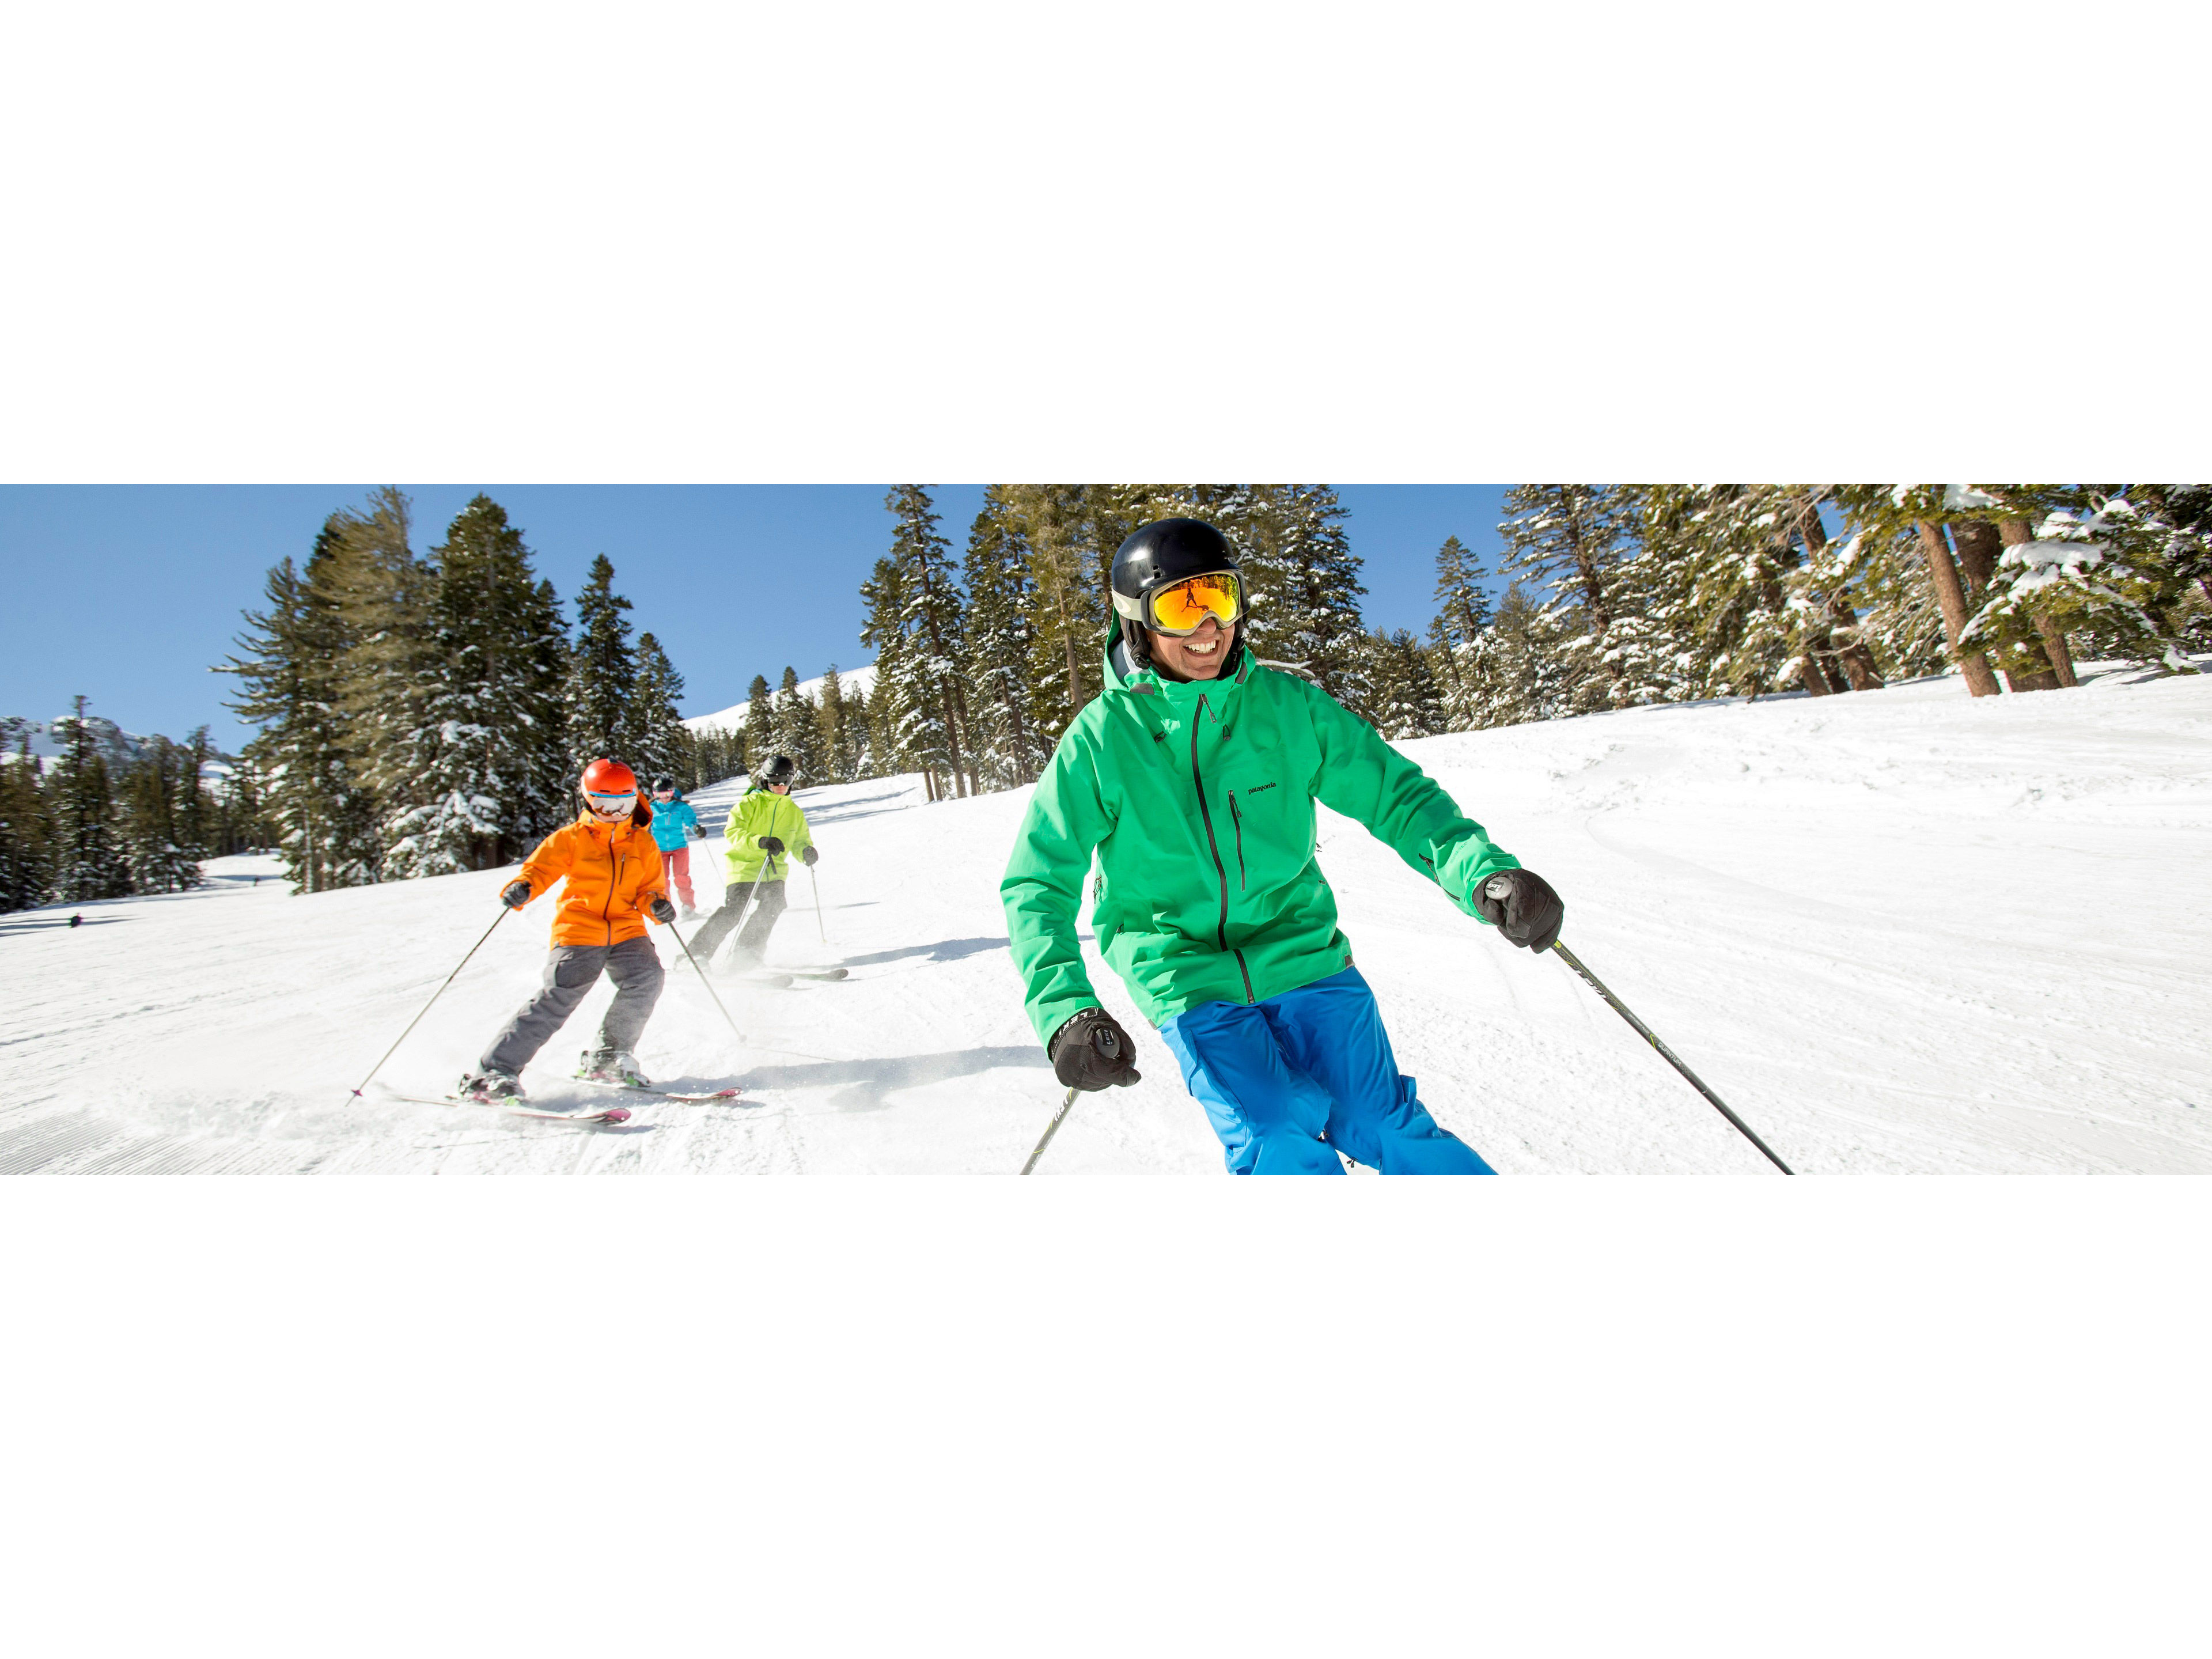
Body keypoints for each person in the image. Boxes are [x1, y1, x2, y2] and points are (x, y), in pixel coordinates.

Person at [1000, 517, 1566, 1176]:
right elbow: (1037, 885)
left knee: (1381, 1120)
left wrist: (1486, 874)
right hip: (1183, 973)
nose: (1209, 629)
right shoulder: (1102, 741)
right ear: (1137, 625)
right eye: (1183, 607)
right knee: (1275, 1132)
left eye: (1221, 600)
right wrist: (1065, 1011)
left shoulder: (1287, 707)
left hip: (1304, 954)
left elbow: (1397, 797)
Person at [459, 757, 676, 1100]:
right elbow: (539, 869)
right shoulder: (572, 838)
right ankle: (494, 1073)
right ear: (589, 800)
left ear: (636, 799)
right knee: (559, 996)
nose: (615, 812)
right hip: (579, 929)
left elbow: (650, 889)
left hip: (625, 928)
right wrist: (523, 887)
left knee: (647, 978)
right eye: (604, 804)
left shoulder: (643, 843)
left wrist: (656, 905)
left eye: (624, 803)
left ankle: (607, 1058)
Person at [688, 753, 818, 972]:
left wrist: (805, 851)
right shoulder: (748, 804)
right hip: (744, 867)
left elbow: (799, 840)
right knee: (734, 911)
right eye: (774, 781)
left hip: (774, 871)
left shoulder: (794, 813)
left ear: (791, 781)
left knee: (774, 905)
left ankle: (747, 954)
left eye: (784, 781)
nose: (779, 786)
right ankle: (694, 956)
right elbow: (733, 832)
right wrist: (760, 842)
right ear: (765, 780)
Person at [647, 775, 706, 918]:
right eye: (660, 795)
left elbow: (691, 821)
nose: (664, 798)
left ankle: (688, 907)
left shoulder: (680, 807)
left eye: (667, 794)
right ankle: (666, 909)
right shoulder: (651, 809)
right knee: (662, 880)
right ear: (654, 795)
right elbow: (643, 825)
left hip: (679, 847)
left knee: (681, 878)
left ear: (672, 793)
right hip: (660, 849)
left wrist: (697, 829)